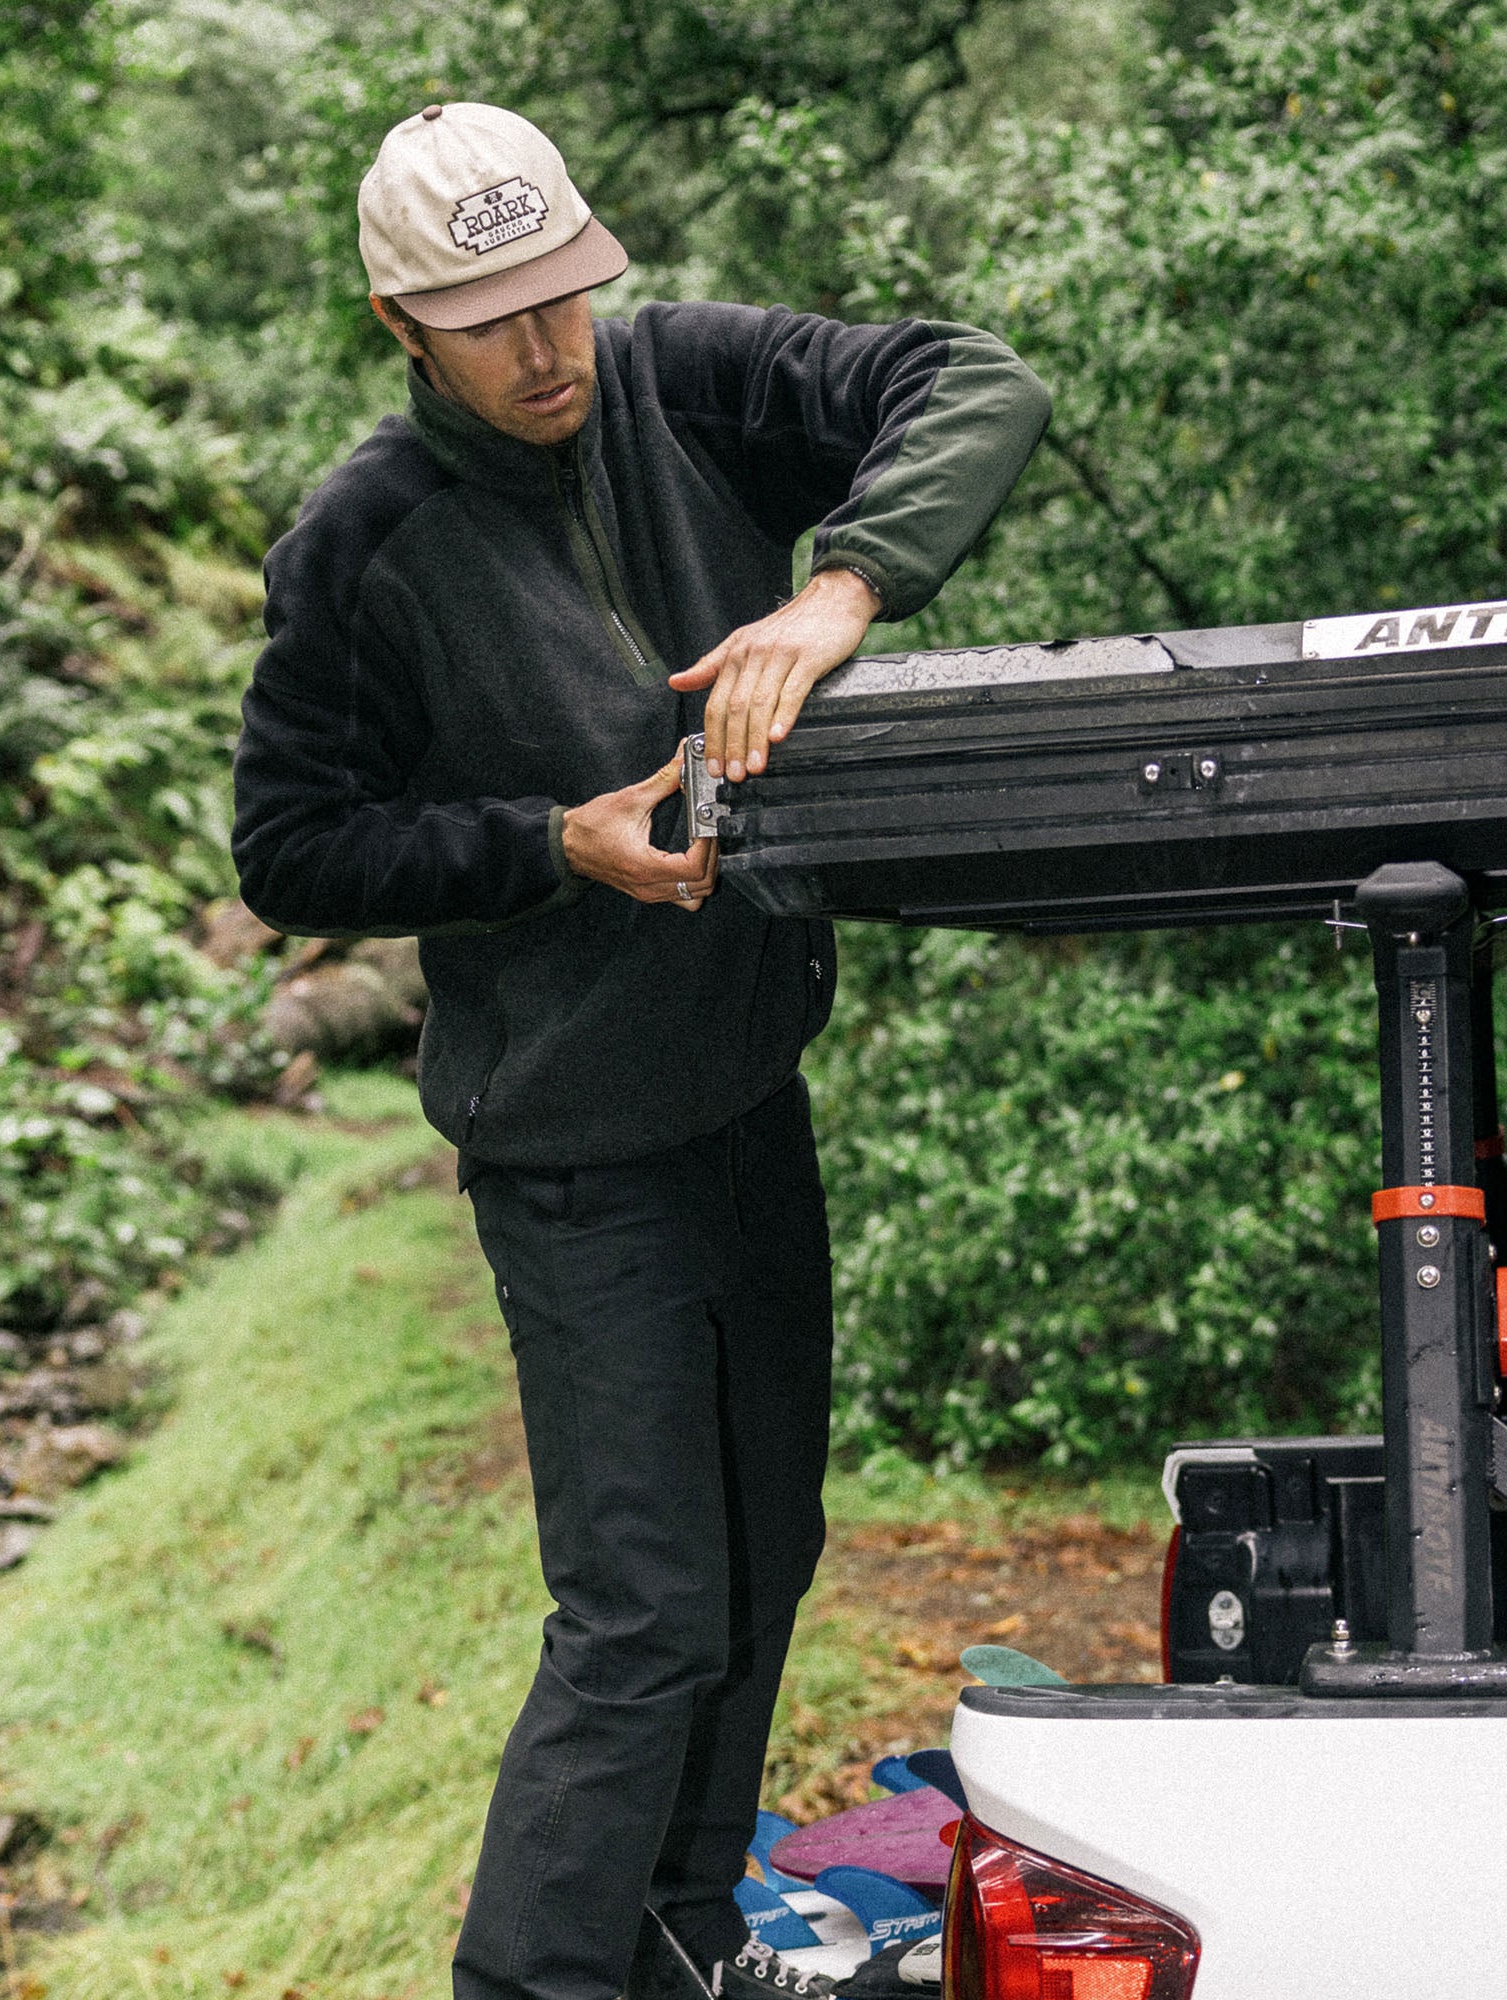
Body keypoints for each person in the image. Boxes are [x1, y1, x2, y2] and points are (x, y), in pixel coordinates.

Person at [230, 102, 1048, 2000]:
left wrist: (842, 584)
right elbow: (288, 846)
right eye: (492, 318)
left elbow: (977, 380)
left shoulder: (682, 381)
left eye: (564, 296)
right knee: (642, 1612)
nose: (547, 351)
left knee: (765, 1559)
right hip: (574, 1152)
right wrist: (546, 849)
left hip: (751, 1099)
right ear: (398, 323)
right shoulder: (363, 542)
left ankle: (680, 1940)